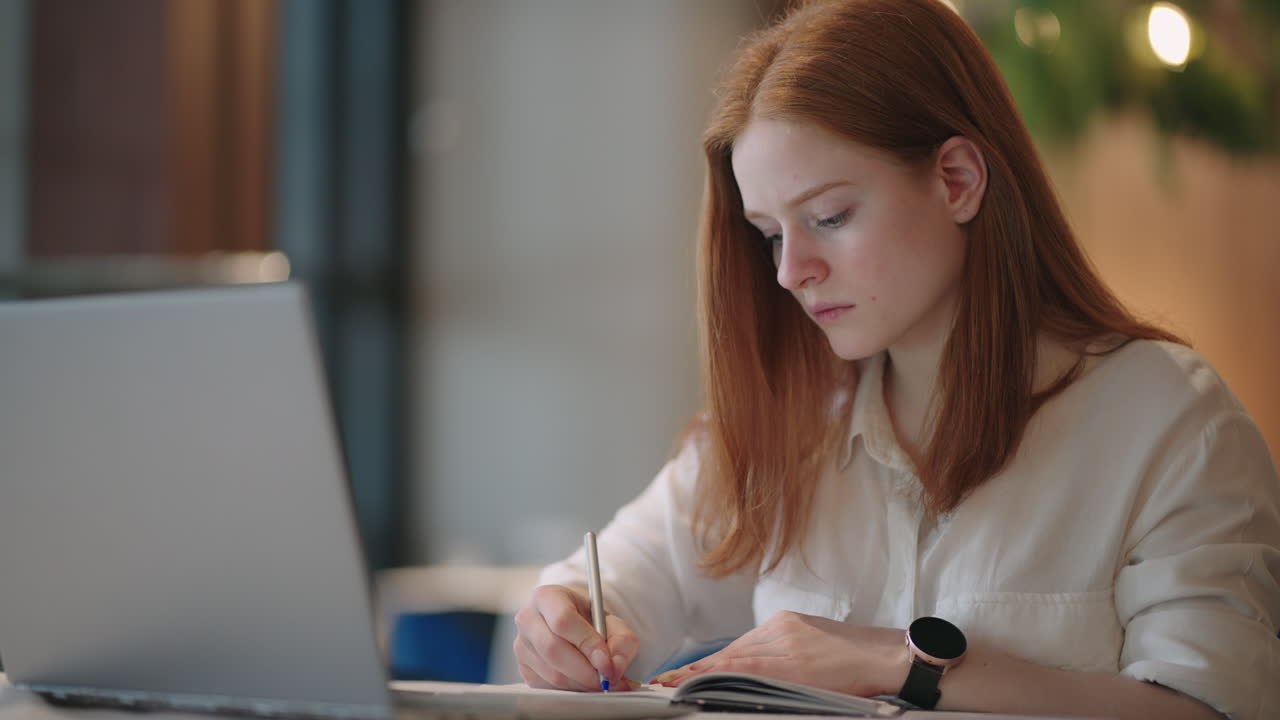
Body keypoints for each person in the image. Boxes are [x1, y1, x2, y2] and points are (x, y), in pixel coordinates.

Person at [511, 0, 1280, 717]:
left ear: (958, 180)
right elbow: (616, 580)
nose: (790, 271)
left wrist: (892, 661)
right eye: (772, 233)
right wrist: (567, 618)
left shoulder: (1170, 422)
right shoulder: (787, 421)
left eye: (829, 215)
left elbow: (1209, 707)